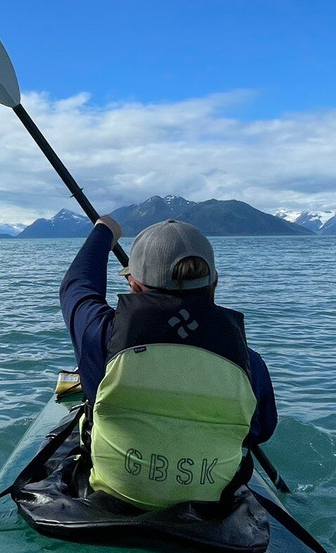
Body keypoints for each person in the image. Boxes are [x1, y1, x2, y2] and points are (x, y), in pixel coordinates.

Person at [60, 216, 277, 511]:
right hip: (208, 511)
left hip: (113, 501)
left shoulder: (103, 339)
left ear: (134, 285)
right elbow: (261, 430)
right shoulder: (250, 365)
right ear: (214, 281)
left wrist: (105, 231)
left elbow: (76, 286)